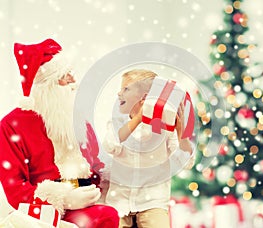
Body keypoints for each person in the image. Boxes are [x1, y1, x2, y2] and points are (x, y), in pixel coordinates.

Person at [0, 38, 119, 228]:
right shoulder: (12, 125)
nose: (74, 81)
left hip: (90, 203)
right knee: (104, 217)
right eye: (65, 76)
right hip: (43, 216)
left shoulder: (78, 120)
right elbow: (15, 190)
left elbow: (97, 163)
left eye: (72, 73)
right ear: (46, 86)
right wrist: (64, 199)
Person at [102, 69, 195, 228]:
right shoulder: (117, 122)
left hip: (153, 202)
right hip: (119, 202)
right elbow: (110, 145)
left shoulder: (165, 125)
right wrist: (138, 119)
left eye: (126, 89)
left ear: (144, 97)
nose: (119, 93)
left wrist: (182, 133)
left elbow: (185, 162)